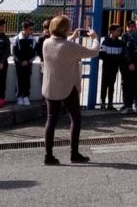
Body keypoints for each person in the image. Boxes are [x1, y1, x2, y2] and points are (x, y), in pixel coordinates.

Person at [41, 15, 101, 165]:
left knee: (51, 120)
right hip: (68, 86)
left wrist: (70, 38)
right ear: (64, 29)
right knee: (75, 119)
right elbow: (93, 52)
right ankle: (74, 154)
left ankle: (48, 155)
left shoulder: (46, 42)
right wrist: (95, 37)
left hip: (50, 86)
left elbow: (60, 48)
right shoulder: (69, 46)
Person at [99, 24, 126, 111]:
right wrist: (113, 58)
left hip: (115, 67)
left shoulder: (120, 43)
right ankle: (102, 102)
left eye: (120, 31)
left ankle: (110, 103)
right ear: (112, 31)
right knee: (104, 84)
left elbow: (122, 56)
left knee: (111, 85)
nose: (119, 32)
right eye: (117, 31)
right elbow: (102, 55)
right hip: (107, 66)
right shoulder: (105, 42)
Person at [12, 20, 37, 106]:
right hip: (19, 64)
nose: (32, 31)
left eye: (32, 29)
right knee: (19, 80)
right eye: (30, 29)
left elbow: (34, 53)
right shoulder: (16, 39)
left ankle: (26, 96)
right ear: (24, 29)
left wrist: (28, 61)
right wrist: (20, 61)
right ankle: (19, 97)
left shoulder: (33, 40)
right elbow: (14, 53)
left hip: (28, 64)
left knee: (27, 80)